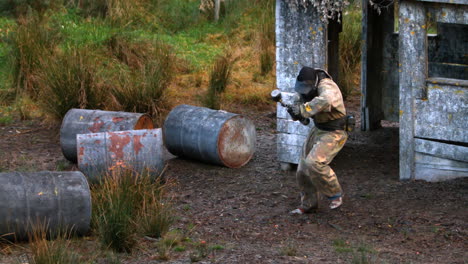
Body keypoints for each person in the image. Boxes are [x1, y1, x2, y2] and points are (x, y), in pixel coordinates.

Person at [287, 66, 348, 213]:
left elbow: (325, 101)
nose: (304, 90)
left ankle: (334, 194)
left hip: (335, 131)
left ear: (313, 83)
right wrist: (296, 112)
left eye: (306, 87)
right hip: (319, 129)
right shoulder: (305, 89)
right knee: (302, 169)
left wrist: (303, 110)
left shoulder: (327, 87)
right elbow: (303, 114)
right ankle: (309, 204)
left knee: (314, 163)